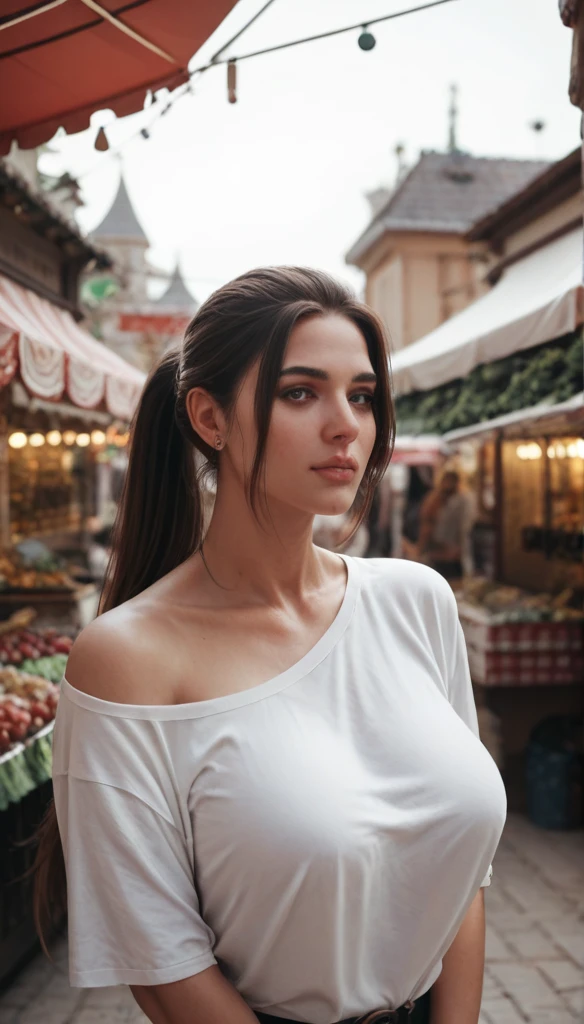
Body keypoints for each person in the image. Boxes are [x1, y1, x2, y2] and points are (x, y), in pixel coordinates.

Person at [36, 268, 506, 1024]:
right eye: (299, 392)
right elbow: (161, 960)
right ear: (210, 418)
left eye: (361, 395)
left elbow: (463, 874)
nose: (345, 425)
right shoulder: (130, 657)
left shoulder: (416, 602)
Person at [417, 470, 477, 582]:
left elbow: (464, 528)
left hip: (453, 554)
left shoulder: (462, 500)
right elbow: (426, 524)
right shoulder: (434, 500)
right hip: (437, 552)